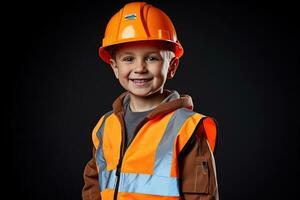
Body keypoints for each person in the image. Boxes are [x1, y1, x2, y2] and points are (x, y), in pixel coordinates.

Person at [82, 2, 219, 200]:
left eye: (152, 58)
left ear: (171, 66)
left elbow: (201, 196)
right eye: (128, 59)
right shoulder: (105, 127)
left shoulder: (187, 129)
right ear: (114, 67)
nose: (140, 68)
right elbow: (93, 186)